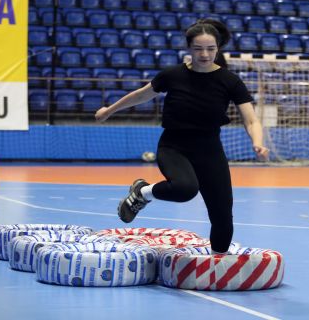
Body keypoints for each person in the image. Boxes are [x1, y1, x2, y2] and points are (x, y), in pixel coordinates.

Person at [95, 20, 269, 254]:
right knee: (185, 189)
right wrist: (109, 110)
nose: (205, 54)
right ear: (189, 48)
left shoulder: (230, 81)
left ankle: (217, 264)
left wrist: (257, 143)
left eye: (210, 49)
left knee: (223, 218)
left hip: (210, 150)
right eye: (198, 49)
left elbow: (251, 119)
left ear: (218, 49)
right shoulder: (173, 75)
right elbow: (140, 95)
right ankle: (142, 192)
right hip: (174, 146)